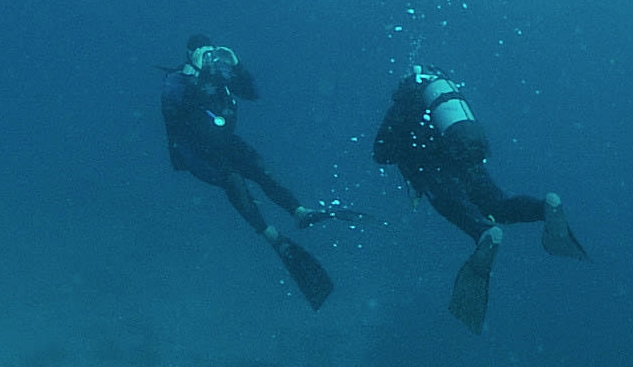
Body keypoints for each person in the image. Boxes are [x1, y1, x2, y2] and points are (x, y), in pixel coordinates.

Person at [372, 66, 589, 330]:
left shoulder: (405, 104)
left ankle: (483, 232)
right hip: (470, 163)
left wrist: (406, 148)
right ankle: (544, 207)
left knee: (453, 206)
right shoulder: (447, 100)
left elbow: (380, 152)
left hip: (434, 169)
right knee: (500, 206)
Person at [160, 35, 335, 309]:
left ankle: (299, 212)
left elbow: (251, 93)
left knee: (261, 169)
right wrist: (194, 78)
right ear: (190, 54)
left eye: (212, 54)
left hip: (224, 142)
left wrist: (237, 66)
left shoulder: (220, 75)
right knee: (233, 181)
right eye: (203, 54)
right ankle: (272, 235)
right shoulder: (177, 81)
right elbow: (172, 108)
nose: (209, 59)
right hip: (196, 152)